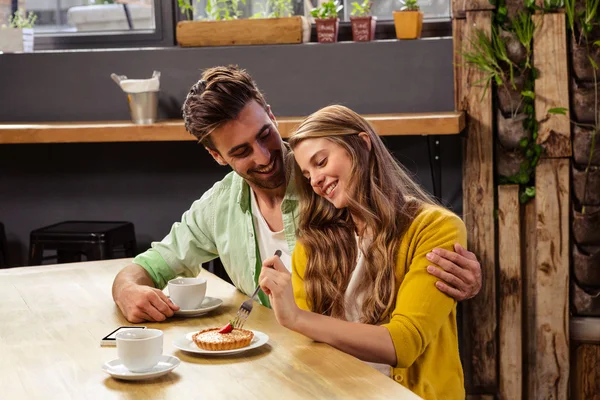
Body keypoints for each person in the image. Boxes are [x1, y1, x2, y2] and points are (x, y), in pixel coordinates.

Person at [111, 65, 482, 323]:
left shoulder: (330, 180)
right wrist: (127, 290)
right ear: (217, 156)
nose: (263, 157)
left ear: (271, 114)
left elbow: (406, 224)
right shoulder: (218, 207)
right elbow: (151, 265)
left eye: (264, 134)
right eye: (240, 152)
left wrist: (464, 276)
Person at [258, 105, 466, 399]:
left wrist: (295, 317)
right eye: (307, 175)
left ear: (362, 144)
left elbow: (403, 344)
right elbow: (305, 345)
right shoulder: (313, 242)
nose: (315, 180)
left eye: (321, 161)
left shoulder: (435, 228)